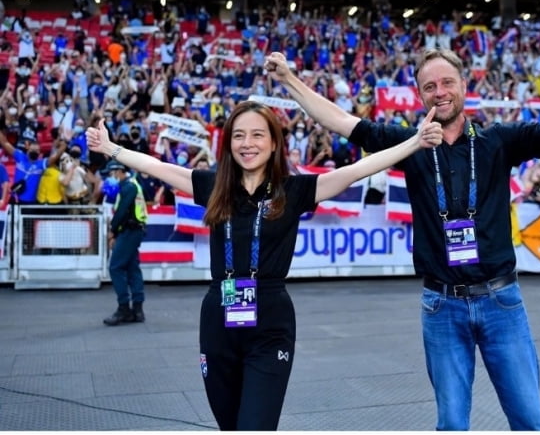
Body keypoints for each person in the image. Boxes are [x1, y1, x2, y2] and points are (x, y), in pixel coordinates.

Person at [263, 48, 540, 431]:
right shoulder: (410, 145)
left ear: (464, 86)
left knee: (530, 421)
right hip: (442, 308)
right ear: (420, 95)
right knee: (451, 424)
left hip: (502, 303)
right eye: (429, 86)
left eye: (447, 82)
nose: (440, 91)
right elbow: (341, 122)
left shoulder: (499, 141)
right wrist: (287, 80)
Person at [86, 99, 442, 431]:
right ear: (228, 144)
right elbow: (157, 166)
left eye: (258, 134)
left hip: (271, 324)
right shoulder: (212, 185)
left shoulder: (294, 190)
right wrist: (110, 147)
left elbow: (357, 170)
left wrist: (414, 143)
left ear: (274, 143)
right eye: (238, 135)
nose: (247, 143)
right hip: (218, 321)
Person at [102, 159, 148, 326]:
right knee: (131, 267)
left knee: (115, 267)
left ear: (119, 171)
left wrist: (112, 231)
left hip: (130, 231)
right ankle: (137, 309)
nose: (109, 176)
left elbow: (121, 212)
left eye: (111, 173)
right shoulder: (131, 185)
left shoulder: (128, 187)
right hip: (133, 230)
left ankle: (124, 309)